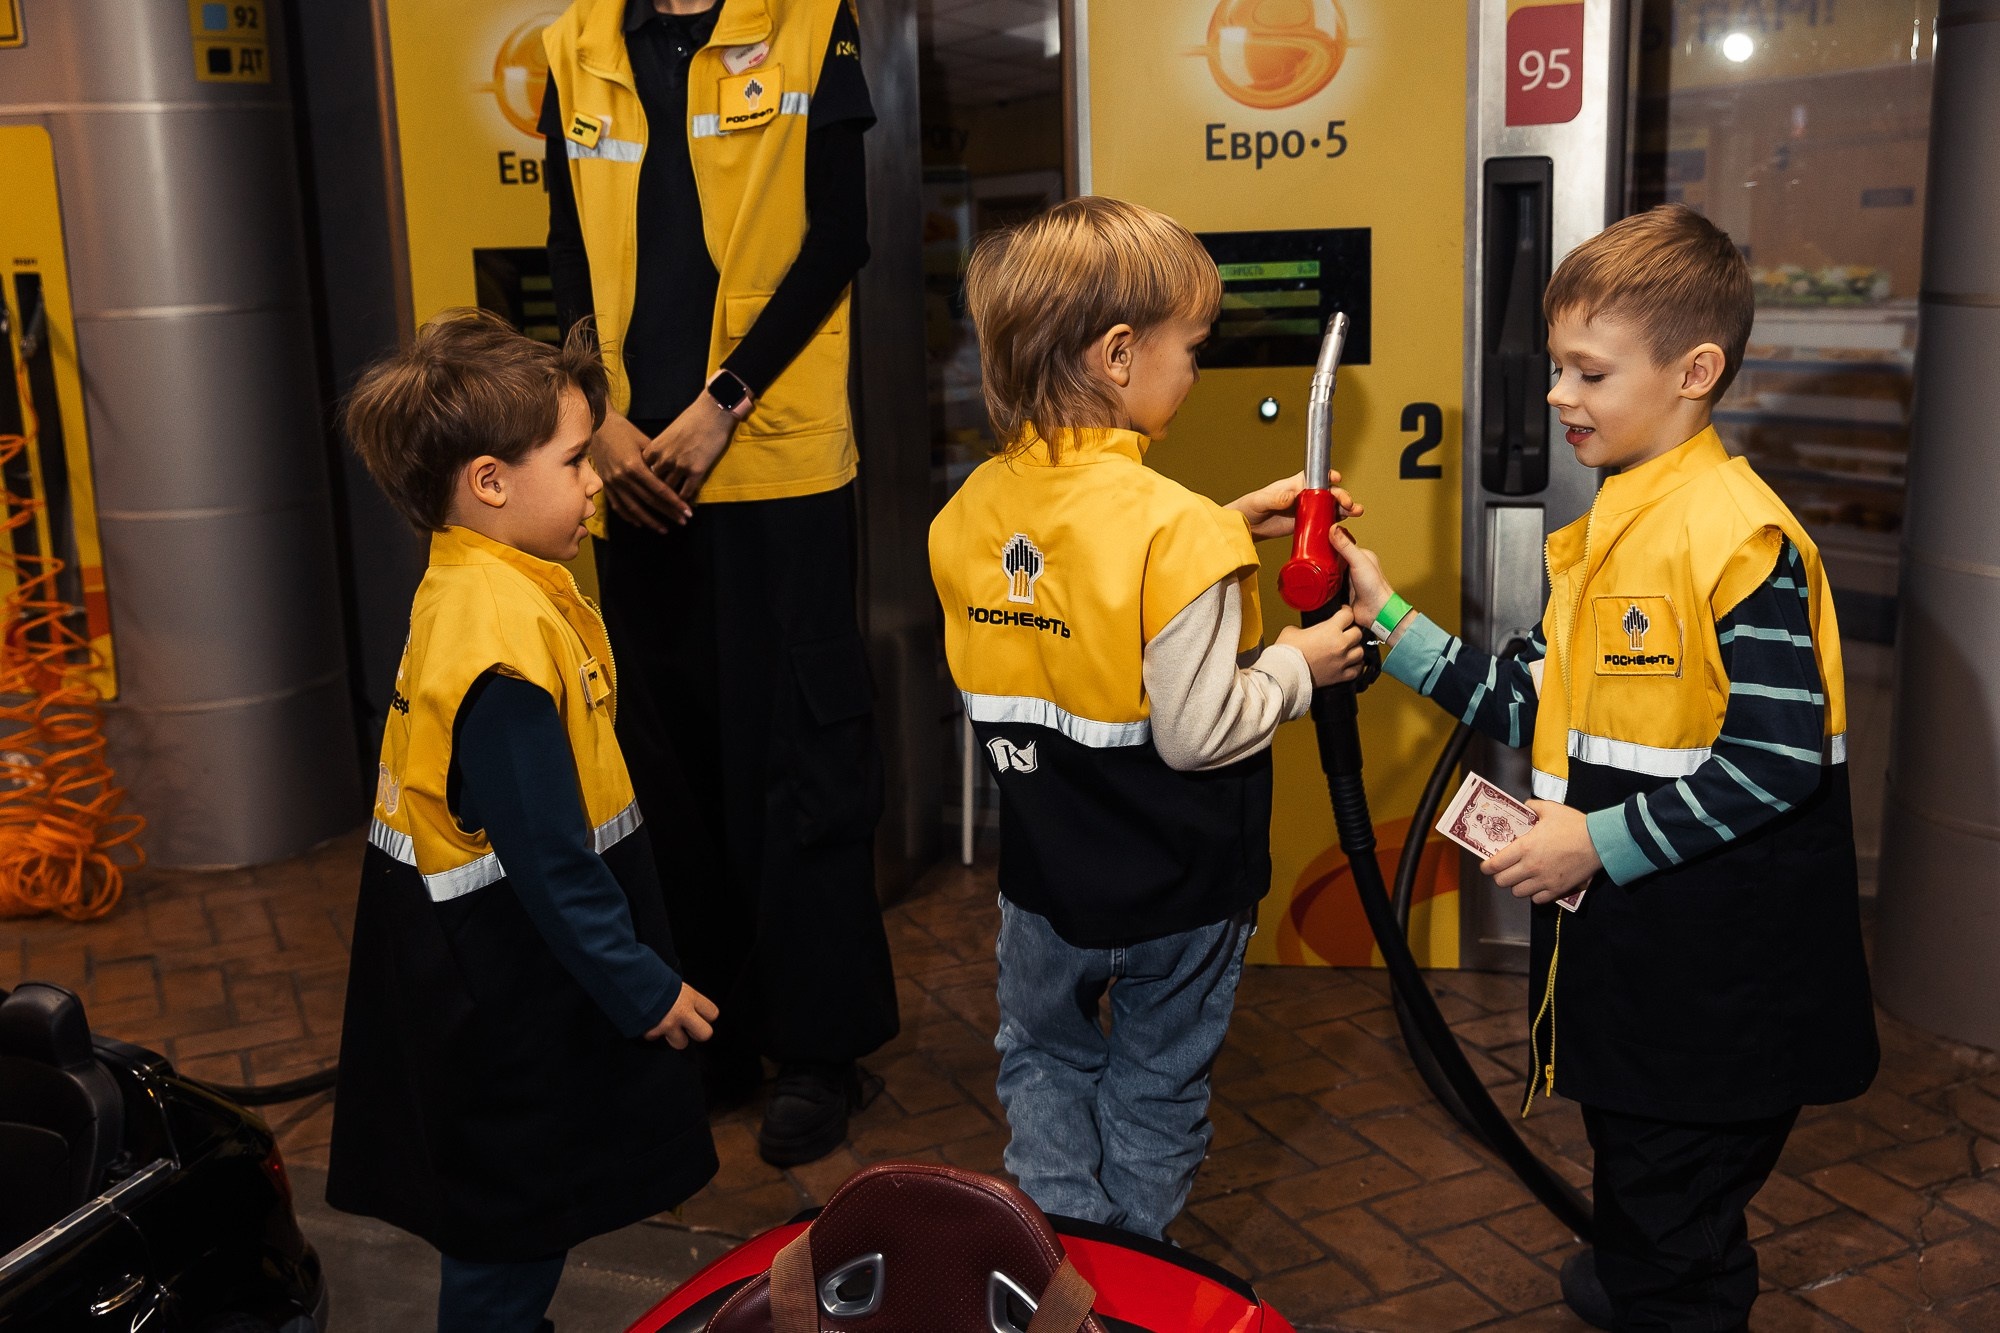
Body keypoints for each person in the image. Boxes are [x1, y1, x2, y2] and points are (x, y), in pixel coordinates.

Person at [1336, 204, 1878, 1331]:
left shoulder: (1735, 539)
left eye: (1586, 371)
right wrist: (1386, 621)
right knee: (1643, 1178)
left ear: (1693, 370)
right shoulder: (1618, 526)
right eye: (1555, 368)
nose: (1555, 396)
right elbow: (1536, 700)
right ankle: (1638, 1265)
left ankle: (1658, 1288)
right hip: (1647, 977)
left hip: (1714, 989)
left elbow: (1776, 761)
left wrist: (1596, 838)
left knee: (1675, 1223)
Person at [928, 197, 1368, 1240]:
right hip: (1177, 887)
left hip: (1041, 885)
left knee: (1039, 1057)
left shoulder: (968, 514)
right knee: (1156, 1082)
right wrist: (1299, 666)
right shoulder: (1170, 530)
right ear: (1119, 353)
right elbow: (1199, 729)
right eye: (1193, 346)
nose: (1196, 368)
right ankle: (1129, 1267)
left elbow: (1075, 596)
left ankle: (1055, 1253)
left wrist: (1223, 526)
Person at [540, 0, 899, 1168]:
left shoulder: (804, 22)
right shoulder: (576, 44)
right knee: (666, 758)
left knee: (795, 753)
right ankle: (711, 1033)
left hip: (774, 460)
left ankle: (815, 1047)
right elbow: (563, 255)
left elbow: (838, 236)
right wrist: (594, 420)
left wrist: (722, 401)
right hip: (629, 466)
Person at [326, 311, 720, 1333]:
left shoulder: (483, 584)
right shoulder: (497, 641)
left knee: (519, 1225)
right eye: (575, 458)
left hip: (490, 973)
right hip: (496, 989)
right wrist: (644, 987)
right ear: (490, 481)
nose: (597, 481)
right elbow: (549, 862)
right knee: (509, 1235)